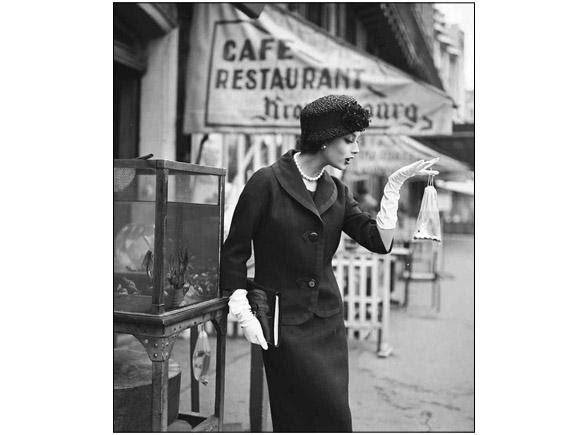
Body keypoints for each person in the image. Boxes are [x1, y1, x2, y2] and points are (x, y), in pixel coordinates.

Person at [220, 94, 438, 432]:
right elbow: (234, 250)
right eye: (349, 140)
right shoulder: (266, 182)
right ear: (324, 140)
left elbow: (379, 242)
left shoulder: (337, 190)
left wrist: (393, 187)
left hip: (327, 324)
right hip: (282, 323)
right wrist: (240, 308)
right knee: (293, 419)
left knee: (335, 418)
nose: (355, 149)